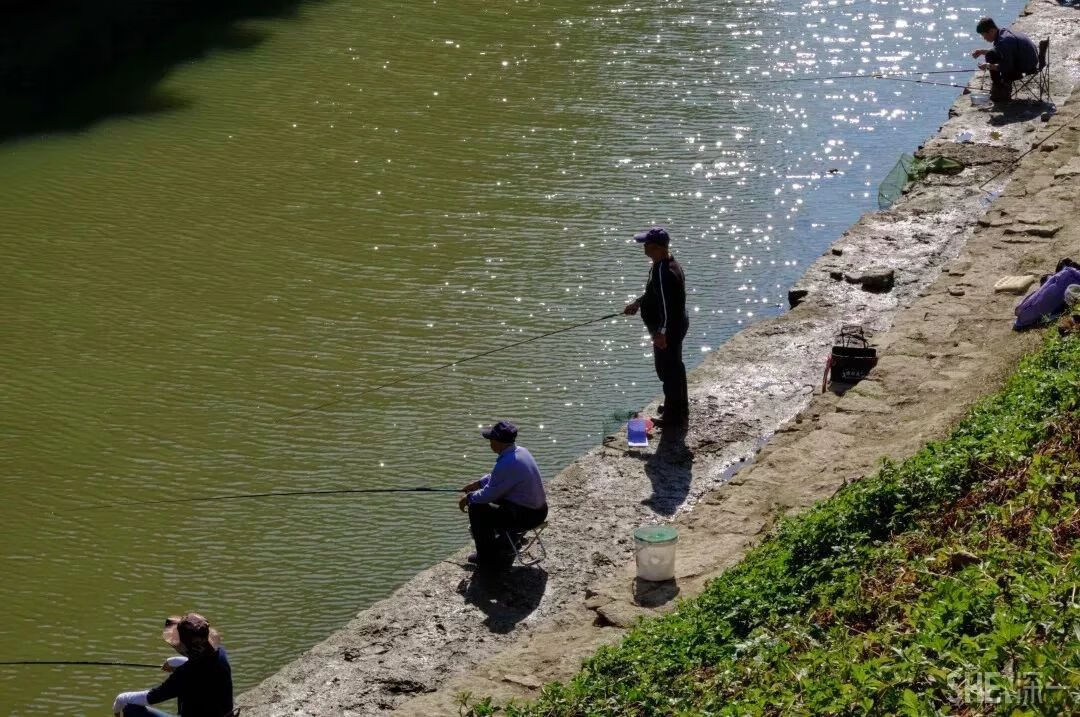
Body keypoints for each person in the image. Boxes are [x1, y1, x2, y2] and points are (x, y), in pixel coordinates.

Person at [623, 226, 689, 429]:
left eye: (648, 246)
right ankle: (677, 406)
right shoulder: (666, 264)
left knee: (667, 371)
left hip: (668, 329)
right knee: (675, 367)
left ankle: (674, 417)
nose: (644, 250)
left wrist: (661, 332)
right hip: (674, 326)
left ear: (660, 248)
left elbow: (669, 306)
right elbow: (656, 293)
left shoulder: (664, 272)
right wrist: (639, 302)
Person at [459, 420, 548, 570]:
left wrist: (468, 498)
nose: (489, 443)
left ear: (499, 442)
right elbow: (498, 478)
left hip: (528, 517)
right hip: (540, 510)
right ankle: (511, 540)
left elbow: (488, 494)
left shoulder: (506, 463)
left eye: (491, 440)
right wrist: (478, 483)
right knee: (496, 499)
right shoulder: (520, 452)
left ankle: (486, 558)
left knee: (476, 508)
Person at [112, 613, 233, 717]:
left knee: (130, 708)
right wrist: (177, 662)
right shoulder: (220, 653)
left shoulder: (185, 674)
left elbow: (152, 697)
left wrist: (121, 699)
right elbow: (202, 667)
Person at [970, 17, 1038, 104]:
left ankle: (1001, 91)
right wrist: (982, 52)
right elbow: (1002, 52)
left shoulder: (1004, 41)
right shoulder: (1003, 32)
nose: (984, 38)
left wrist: (988, 66)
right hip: (1029, 59)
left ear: (991, 31)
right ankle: (998, 87)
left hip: (1027, 66)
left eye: (984, 35)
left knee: (991, 57)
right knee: (990, 54)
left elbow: (1006, 67)